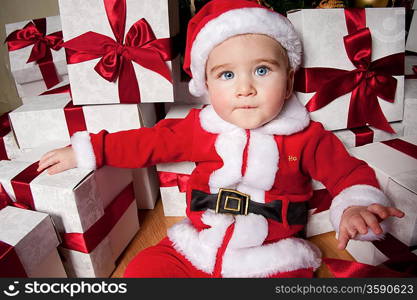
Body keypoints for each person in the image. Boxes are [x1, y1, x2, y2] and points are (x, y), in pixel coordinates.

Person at [37, 0, 404, 278]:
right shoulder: (202, 127)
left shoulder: (307, 137)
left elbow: (349, 174)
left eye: (262, 70)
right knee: (145, 269)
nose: (245, 88)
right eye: (226, 75)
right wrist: (89, 149)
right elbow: (146, 143)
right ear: (206, 86)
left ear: (289, 81)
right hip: (196, 246)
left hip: (272, 256)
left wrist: (356, 205)